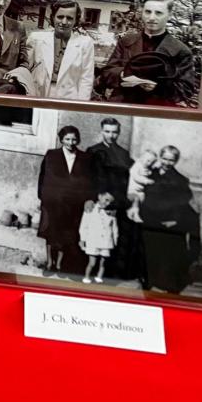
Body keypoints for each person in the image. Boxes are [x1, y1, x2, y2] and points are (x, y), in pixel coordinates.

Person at [100, 0, 197, 105]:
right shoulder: (126, 41)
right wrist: (123, 74)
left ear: (169, 15)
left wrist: (158, 87)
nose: (151, 17)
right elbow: (106, 73)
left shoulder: (180, 50)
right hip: (124, 104)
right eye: (148, 12)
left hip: (156, 109)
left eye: (158, 13)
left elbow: (186, 90)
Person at [139, 145, 200, 293]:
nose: (167, 163)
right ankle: (146, 285)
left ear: (176, 161)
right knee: (148, 259)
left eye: (171, 160)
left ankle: (170, 290)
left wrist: (175, 221)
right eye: (164, 158)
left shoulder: (180, 181)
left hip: (168, 225)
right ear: (160, 157)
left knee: (168, 263)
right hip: (150, 222)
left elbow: (183, 203)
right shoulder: (149, 174)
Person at [37, 125, 94, 276]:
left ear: (78, 140)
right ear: (61, 140)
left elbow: (88, 181)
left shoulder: (85, 158)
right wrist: (42, 197)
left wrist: (85, 199)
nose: (70, 143)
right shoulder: (51, 155)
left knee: (66, 234)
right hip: (53, 202)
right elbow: (43, 176)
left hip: (72, 204)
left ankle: (60, 265)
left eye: (74, 139)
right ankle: (49, 263)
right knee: (50, 232)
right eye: (67, 139)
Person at [85, 118, 137, 280]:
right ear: (102, 131)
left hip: (117, 201)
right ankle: (89, 274)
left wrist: (118, 200)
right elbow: (88, 178)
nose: (111, 135)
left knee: (113, 238)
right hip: (98, 201)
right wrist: (92, 198)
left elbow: (126, 180)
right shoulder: (93, 151)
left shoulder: (123, 154)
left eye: (114, 132)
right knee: (94, 237)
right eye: (107, 131)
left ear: (119, 133)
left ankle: (110, 275)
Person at [27, 0, 95, 99]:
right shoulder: (37, 39)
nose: (64, 22)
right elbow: (26, 70)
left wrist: (80, 105)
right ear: (53, 17)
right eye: (60, 17)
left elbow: (86, 79)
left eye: (69, 18)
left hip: (69, 99)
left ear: (76, 20)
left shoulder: (85, 44)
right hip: (38, 95)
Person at [79, 191, 118, 284]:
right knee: (92, 263)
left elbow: (115, 228)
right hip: (93, 240)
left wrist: (115, 240)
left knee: (103, 263)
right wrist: (82, 239)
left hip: (106, 241)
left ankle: (99, 279)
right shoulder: (90, 208)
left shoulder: (111, 212)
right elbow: (84, 225)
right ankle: (86, 278)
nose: (108, 203)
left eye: (110, 202)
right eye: (106, 200)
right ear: (100, 196)